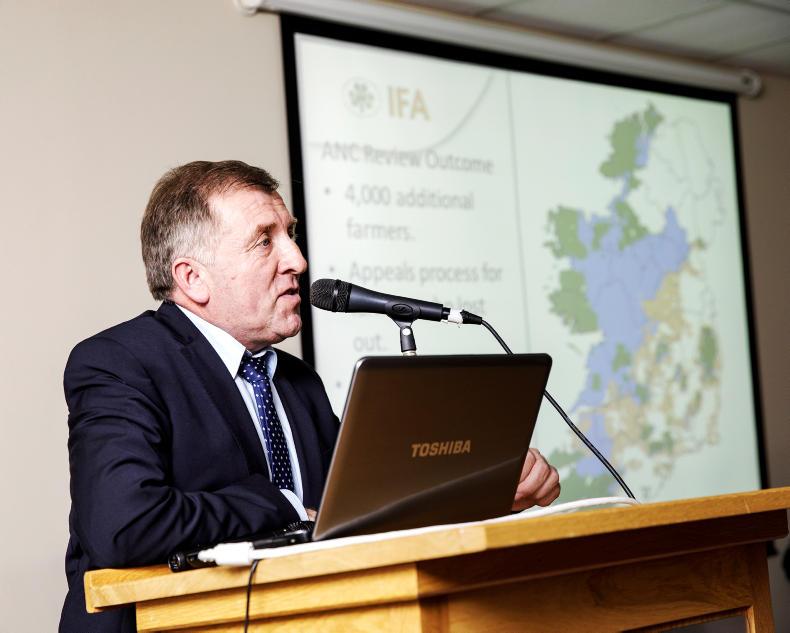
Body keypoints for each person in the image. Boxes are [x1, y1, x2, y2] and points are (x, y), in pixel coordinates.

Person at [59, 160, 560, 632]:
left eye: (291, 235)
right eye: (264, 241)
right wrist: (283, 506)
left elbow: (361, 509)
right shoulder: (118, 362)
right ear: (193, 278)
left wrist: (485, 490)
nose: (297, 261)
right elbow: (124, 524)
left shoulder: (297, 380)